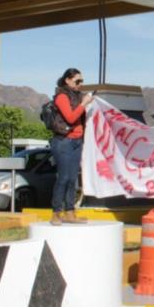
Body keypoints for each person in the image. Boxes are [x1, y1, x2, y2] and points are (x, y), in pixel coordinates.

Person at [50, 68, 92, 225]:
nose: (80, 84)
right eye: (77, 81)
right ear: (67, 80)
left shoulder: (77, 96)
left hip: (77, 142)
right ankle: (56, 212)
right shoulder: (62, 96)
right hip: (64, 142)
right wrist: (84, 104)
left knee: (72, 178)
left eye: (82, 81)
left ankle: (70, 211)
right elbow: (70, 117)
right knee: (63, 178)